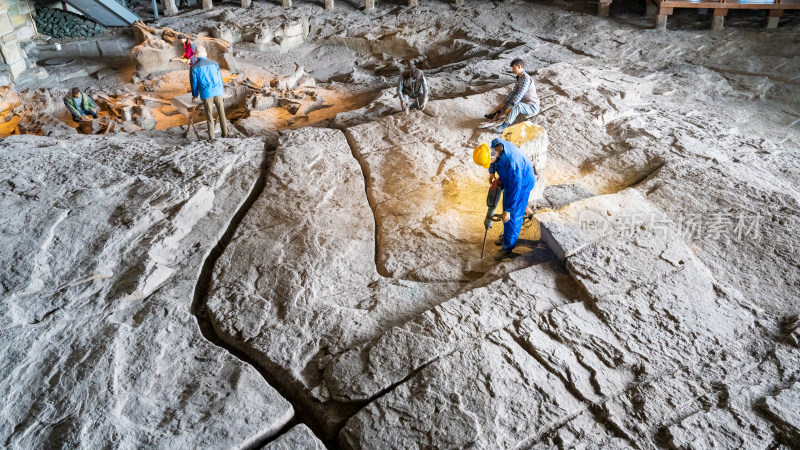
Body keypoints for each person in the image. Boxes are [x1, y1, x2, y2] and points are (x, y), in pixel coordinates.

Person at [473, 138, 535, 261]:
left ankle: (507, 249)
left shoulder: (512, 165)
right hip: (512, 178)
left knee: (512, 217)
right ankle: (508, 235)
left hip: (522, 184)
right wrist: (491, 172)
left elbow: (515, 188)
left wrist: (509, 210)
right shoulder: (495, 144)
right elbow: (492, 160)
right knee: (507, 209)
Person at [484, 58, 540, 134]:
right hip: (525, 103)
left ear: (519, 66)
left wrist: (510, 107)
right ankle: (495, 114)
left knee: (517, 106)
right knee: (508, 101)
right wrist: (503, 102)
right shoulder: (519, 78)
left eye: (514, 67)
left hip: (532, 106)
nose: (512, 70)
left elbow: (520, 94)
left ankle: (503, 127)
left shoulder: (526, 79)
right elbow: (514, 92)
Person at [190, 46, 229, 140]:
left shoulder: (194, 67)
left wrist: (195, 95)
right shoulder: (214, 63)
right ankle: (225, 134)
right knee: (222, 113)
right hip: (218, 91)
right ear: (205, 54)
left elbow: (194, 83)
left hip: (206, 93)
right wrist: (221, 89)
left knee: (209, 115)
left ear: (196, 56)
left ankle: (212, 138)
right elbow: (220, 78)